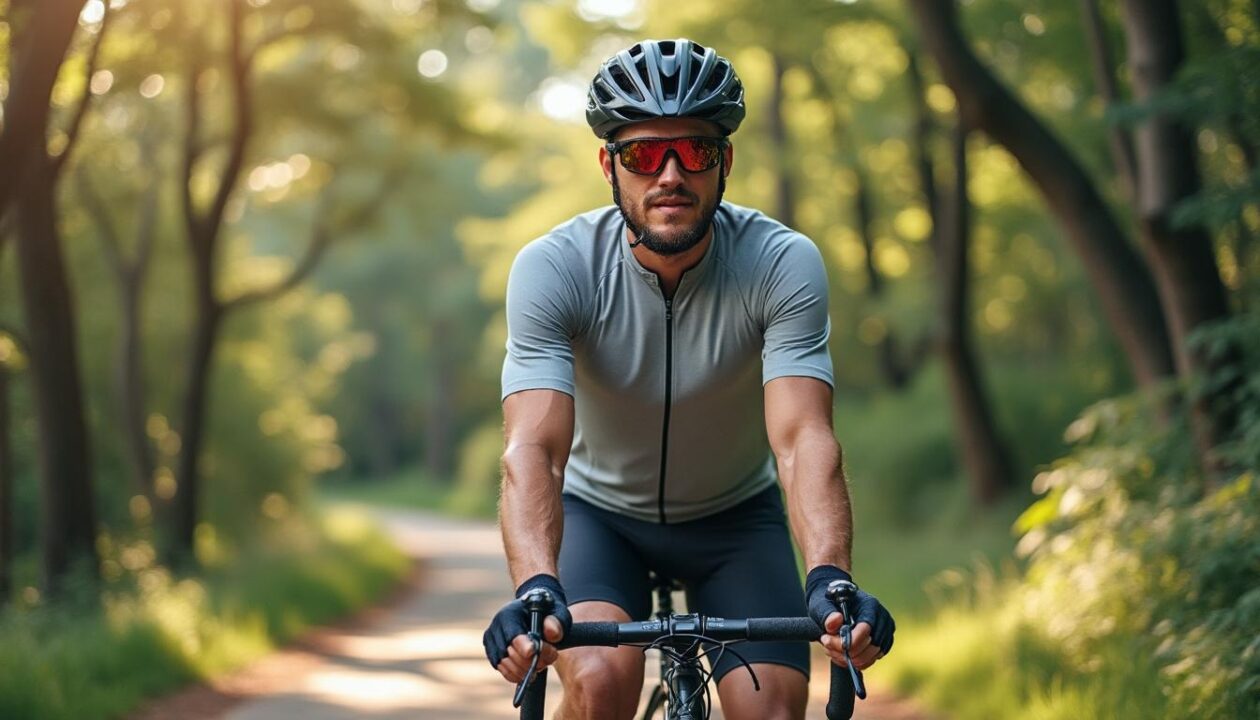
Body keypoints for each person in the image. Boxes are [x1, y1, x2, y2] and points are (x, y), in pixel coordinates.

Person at [482, 38, 895, 720]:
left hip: (734, 518)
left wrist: (829, 576)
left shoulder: (780, 262)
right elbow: (535, 449)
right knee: (599, 678)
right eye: (644, 154)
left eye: (694, 151)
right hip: (599, 518)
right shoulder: (555, 268)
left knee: (772, 709)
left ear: (724, 161)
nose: (669, 174)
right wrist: (536, 586)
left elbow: (801, 439)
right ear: (608, 166)